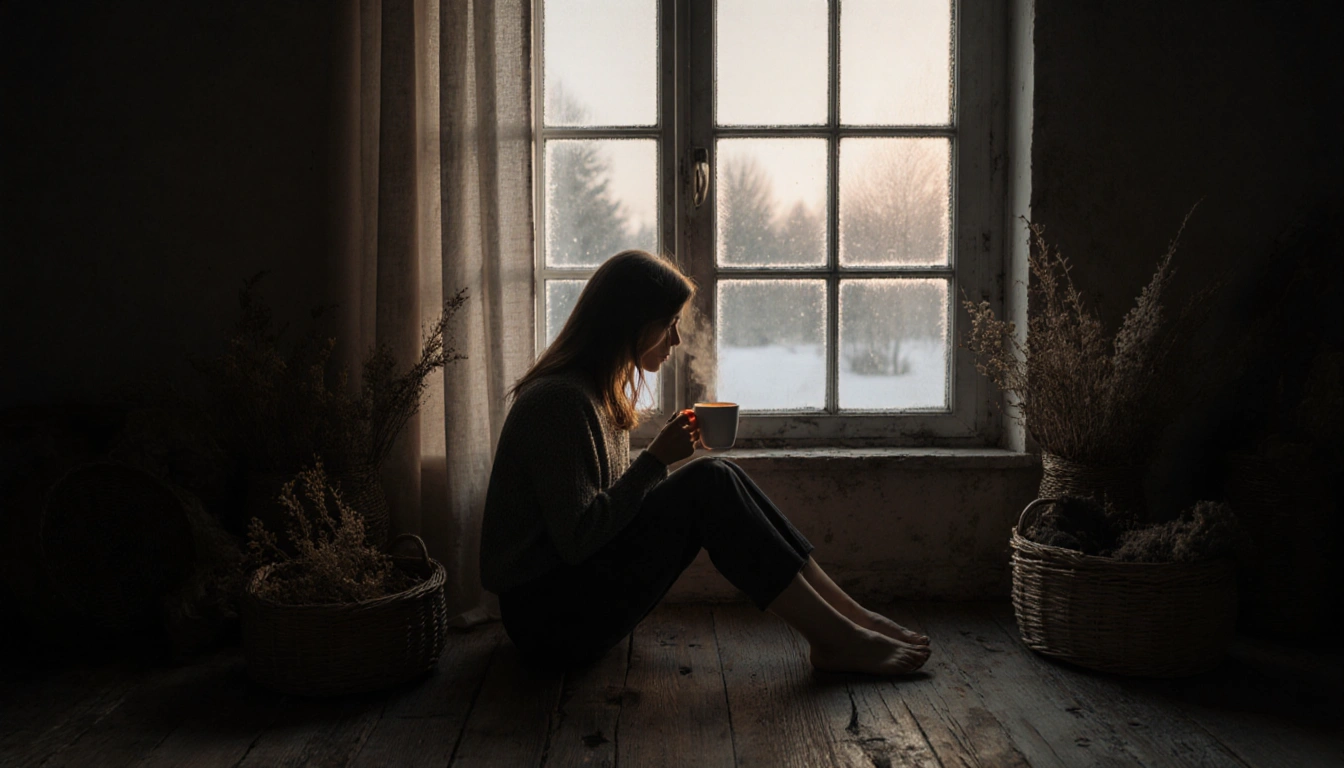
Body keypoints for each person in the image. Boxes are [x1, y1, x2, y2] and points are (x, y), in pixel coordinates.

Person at [479, 250, 931, 675]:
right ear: (631, 323)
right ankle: (837, 638)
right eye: (668, 323)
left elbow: (608, 517)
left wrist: (659, 462)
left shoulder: (595, 393)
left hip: (570, 602)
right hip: (549, 625)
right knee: (709, 482)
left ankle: (849, 618)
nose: (675, 338)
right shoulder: (559, 402)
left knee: (722, 474)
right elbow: (579, 539)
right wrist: (656, 461)